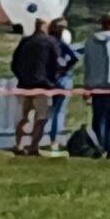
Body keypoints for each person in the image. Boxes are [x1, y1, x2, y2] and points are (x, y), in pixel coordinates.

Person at [80, 13, 110, 158]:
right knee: (108, 117)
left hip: (94, 83)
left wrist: (87, 84)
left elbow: (87, 62)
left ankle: (101, 143)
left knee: (98, 115)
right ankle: (107, 145)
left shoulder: (90, 40)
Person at [9, 20, 57, 157]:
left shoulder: (25, 41)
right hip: (42, 85)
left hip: (24, 84)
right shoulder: (50, 42)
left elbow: (14, 62)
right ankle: (33, 146)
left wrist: (21, 77)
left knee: (25, 117)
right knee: (41, 118)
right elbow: (55, 62)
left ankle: (19, 144)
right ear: (44, 26)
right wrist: (52, 80)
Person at [44, 19, 76, 147]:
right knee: (60, 110)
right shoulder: (61, 43)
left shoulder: (47, 42)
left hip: (51, 78)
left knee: (52, 109)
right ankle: (55, 139)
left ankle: (48, 137)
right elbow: (73, 57)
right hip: (63, 78)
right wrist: (65, 68)